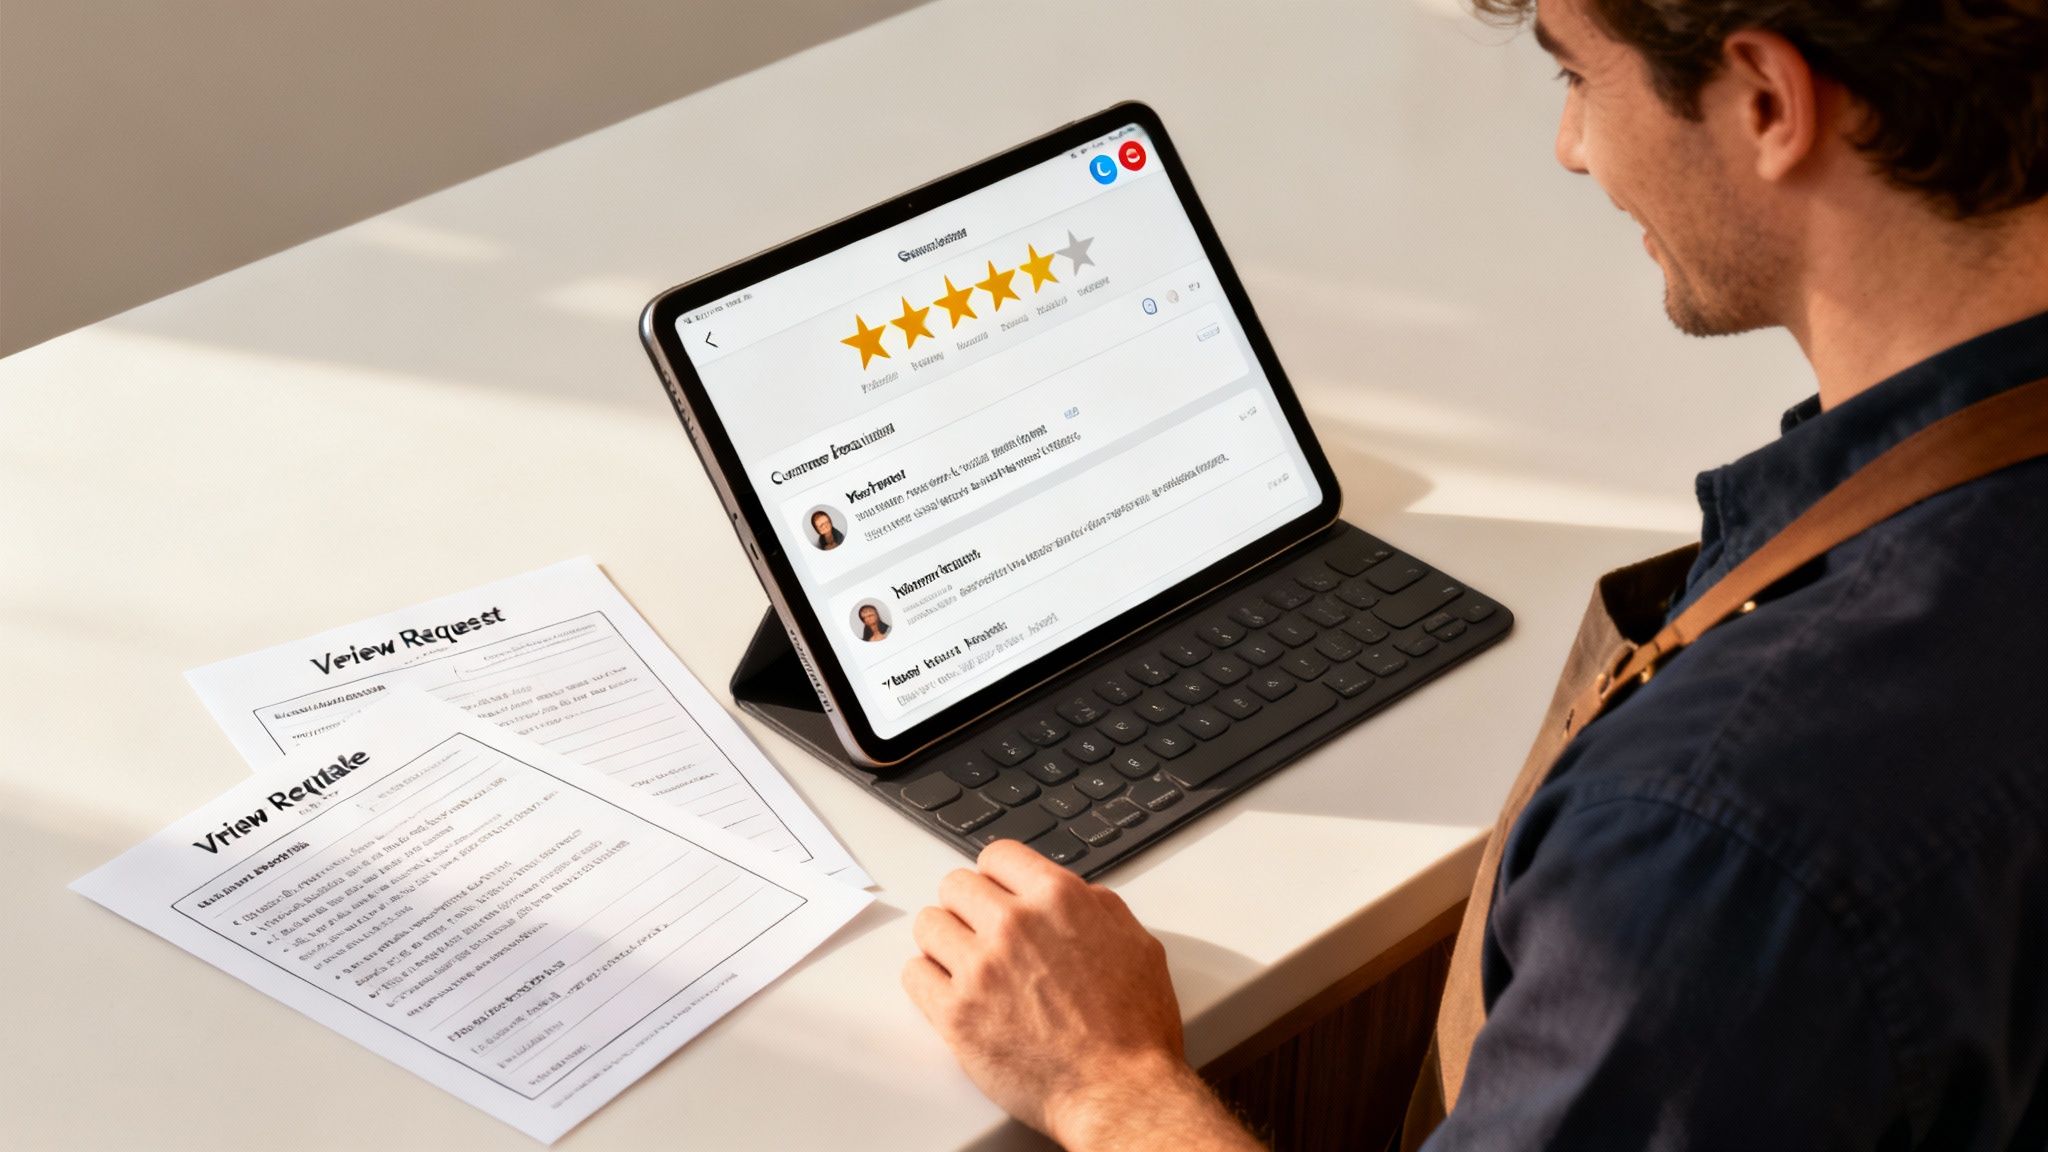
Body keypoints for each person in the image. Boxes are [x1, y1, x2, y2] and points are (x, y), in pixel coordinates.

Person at [902, 0, 2048, 1148]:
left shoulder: (1707, 838)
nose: (1571, 148)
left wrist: (1103, 1080)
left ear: (1763, 100)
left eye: (1576, 82)